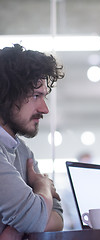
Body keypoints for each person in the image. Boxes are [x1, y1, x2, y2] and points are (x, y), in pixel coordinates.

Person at [0, 44, 64, 239]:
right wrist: (43, 185)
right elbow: (36, 219)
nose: (45, 109)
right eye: (36, 96)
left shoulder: (22, 151)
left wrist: (13, 230)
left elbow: (58, 217)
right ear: (6, 96)